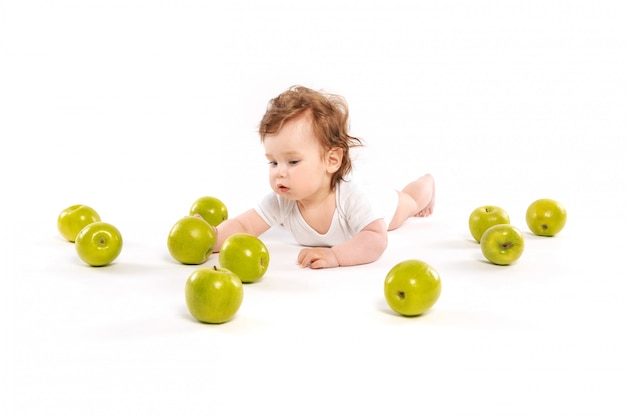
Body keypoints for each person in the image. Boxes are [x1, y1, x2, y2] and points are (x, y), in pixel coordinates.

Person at [212, 85, 435, 269]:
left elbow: (376, 238)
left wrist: (336, 256)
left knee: (411, 202)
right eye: (273, 162)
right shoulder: (281, 200)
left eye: (292, 162)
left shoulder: (350, 198)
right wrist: (212, 237)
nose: (279, 171)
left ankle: (427, 182)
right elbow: (244, 225)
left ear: (331, 160)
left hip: (381, 203)